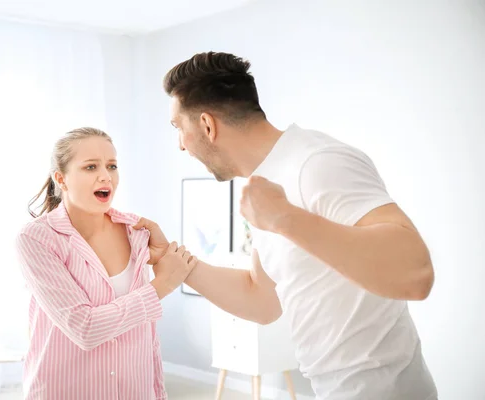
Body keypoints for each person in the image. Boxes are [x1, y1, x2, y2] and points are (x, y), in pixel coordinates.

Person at [133, 52, 437, 400]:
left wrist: (285, 219)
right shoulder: (264, 185)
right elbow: (261, 298)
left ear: (206, 125)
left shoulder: (318, 162)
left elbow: (416, 274)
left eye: (178, 128)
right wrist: (176, 263)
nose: (180, 144)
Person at [15, 127, 197, 400]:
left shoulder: (136, 231)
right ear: (61, 179)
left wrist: (158, 392)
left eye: (112, 166)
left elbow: (146, 333)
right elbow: (84, 328)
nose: (106, 176)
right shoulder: (37, 239)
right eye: (90, 167)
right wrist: (161, 285)